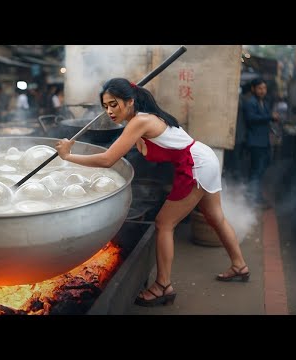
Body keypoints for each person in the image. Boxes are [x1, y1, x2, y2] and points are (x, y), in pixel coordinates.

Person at [55, 77, 249, 307]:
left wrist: (68, 156)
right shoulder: (143, 120)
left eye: (114, 104)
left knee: (164, 223)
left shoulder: (140, 121)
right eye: (105, 106)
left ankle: (163, 286)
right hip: (204, 158)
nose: (109, 111)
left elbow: (108, 159)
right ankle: (240, 266)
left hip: (196, 165)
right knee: (215, 217)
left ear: (130, 101)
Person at [243, 78, 280, 206]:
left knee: (260, 171)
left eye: (264, 88)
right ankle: (252, 199)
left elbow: (264, 119)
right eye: (259, 88)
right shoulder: (251, 102)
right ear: (253, 89)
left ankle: (256, 197)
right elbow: (251, 118)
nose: (262, 91)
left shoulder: (262, 102)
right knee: (256, 171)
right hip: (255, 142)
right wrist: (270, 117)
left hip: (263, 142)